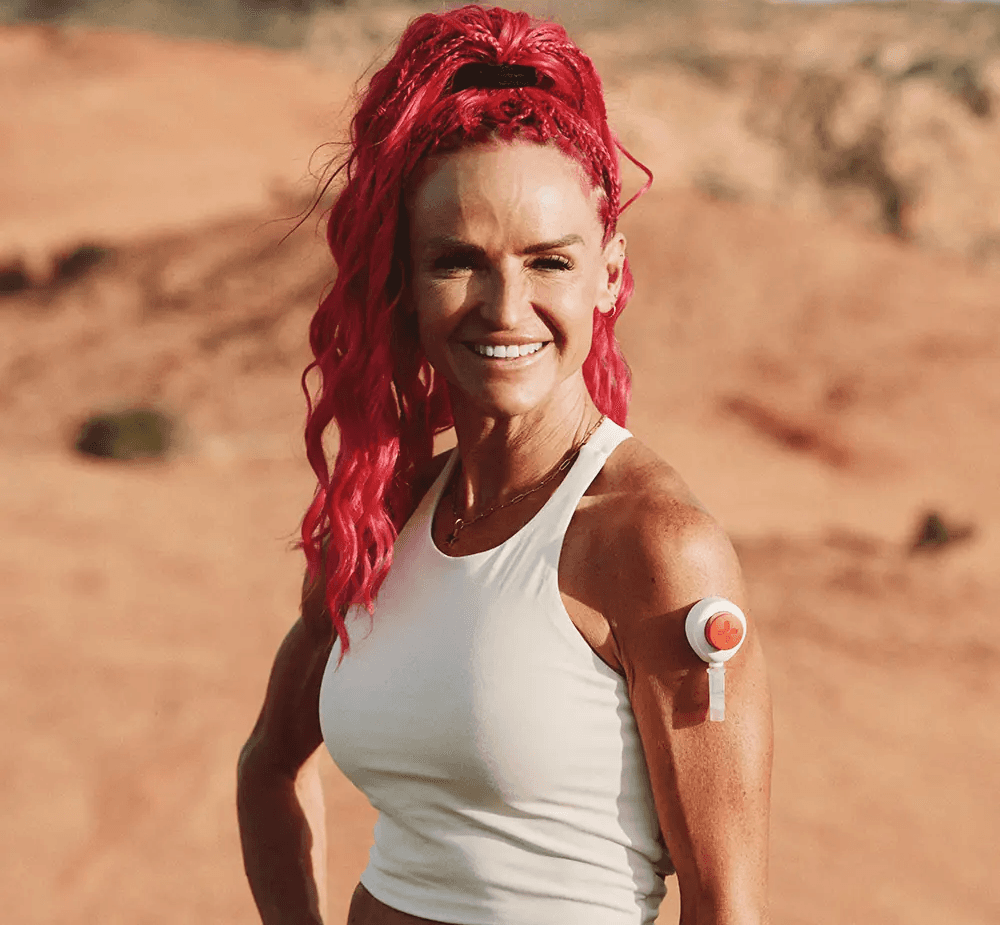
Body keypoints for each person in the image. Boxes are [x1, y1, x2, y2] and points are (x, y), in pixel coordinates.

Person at [236, 5, 773, 925]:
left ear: (608, 272)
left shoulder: (655, 547)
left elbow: (726, 906)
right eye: (457, 261)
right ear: (403, 282)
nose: (505, 306)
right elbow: (270, 766)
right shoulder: (384, 511)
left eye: (548, 262)